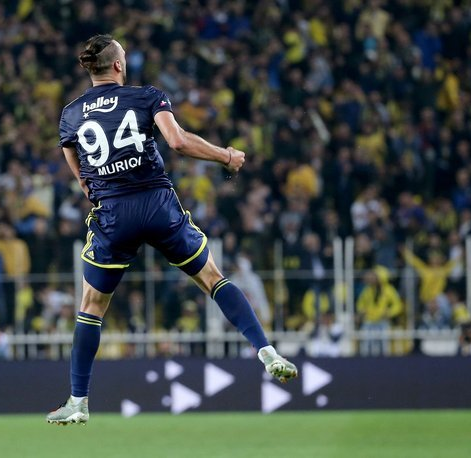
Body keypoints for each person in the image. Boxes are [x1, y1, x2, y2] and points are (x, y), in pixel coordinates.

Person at [47, 35, 297, 425]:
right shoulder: (147, 96)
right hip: (157, 204)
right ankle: (266, 350)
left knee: (91, 307)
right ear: (117, 66)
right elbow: (178, 142)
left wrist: (105, 194)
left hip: (113, 212)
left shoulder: (70, 113)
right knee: (213, 279)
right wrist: (226, 155)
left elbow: (80, 174)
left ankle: (78, 401)